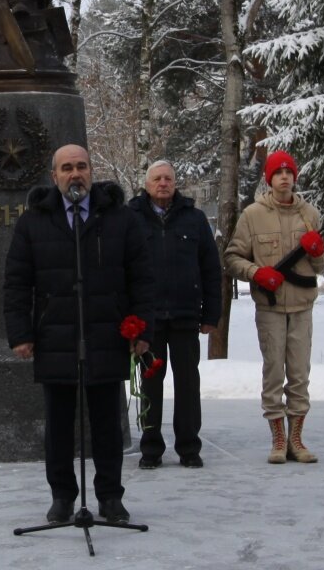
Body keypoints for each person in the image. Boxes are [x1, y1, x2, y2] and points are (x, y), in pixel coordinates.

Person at [4, 144, 154, 526]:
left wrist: (142, 327)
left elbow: (143, 278)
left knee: (106, 423)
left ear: (92, 171)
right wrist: (21, 332)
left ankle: (109, 497)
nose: (75, 174)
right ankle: (61, 497)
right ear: (54, 176)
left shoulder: (119, 218)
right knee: (58, 425)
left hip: (106, 333)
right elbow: (17, 283)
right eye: (67, 168)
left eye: (82, 167)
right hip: (55, 336)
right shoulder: (33, 222)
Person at [224, 150, 324, 464]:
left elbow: (321, 266)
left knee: (299, 374)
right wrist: (257, 273)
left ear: (295, 177)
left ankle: (296, 438)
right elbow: (232, 257)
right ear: (269, 179)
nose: (284, 177)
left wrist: (317, 250)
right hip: (269, 307)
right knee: (273, 373)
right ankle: (278, 439)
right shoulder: (253, 215)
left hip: (301, 306)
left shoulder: (310, 214)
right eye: (277, 173)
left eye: (289, 172)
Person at [127, 160, 222, 469]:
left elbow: (210, 269)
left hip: (184, 316)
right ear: (147, 183)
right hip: (147, 321)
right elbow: (120, 270)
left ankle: (189, 448)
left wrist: (211, 313)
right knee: (151, 385)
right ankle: (151, 449)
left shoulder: (194, 219)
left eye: (168, 178)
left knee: (187, 384)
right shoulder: (131, 219)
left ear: (176, 182)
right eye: (157, 178)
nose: (163, 183)